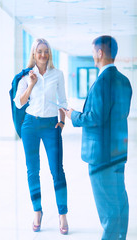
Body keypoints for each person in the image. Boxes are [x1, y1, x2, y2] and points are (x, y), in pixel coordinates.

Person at [65, 35, 132, 239]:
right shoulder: (124, 81)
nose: (92, 55)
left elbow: (96, 117)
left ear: (100, 53)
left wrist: (73, 115)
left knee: (108, 209)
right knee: (120, 201)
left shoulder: (103, 81)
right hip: (118, 151)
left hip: (101, 156)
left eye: (93, 51)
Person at [14, 38, 68, 234]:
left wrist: (61, 122)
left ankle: (62, 214)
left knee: (57, 171)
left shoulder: (58, 74)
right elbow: (19, 103)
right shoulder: (26, 76)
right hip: (30, 125)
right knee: (32, 171)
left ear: (49, 53)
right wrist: (31, 84)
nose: (43, 55)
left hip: (50, 125)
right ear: (34, 54)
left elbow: (62, 101)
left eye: (46, 51)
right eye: (39, 51)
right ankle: (37, 211)